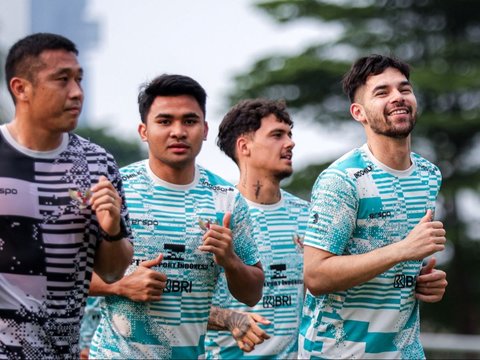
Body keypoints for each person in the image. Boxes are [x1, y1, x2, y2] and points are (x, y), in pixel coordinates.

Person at [87, 74, 264, 359]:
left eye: (190, 121)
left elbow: (252, 293)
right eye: (165, 121)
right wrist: (120, 285)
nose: (179, 132)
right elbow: (63, 276)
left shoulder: (226, 198)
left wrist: (230, 261)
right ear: (143, 131)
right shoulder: (117, 191)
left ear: (205, 129)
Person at [299, 54, 448, 359]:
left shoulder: (429, 175)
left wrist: (425, 282)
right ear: (359, 113)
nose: (398, 98)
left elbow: (404, 264)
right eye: (382, 92)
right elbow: (316, 276)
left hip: (404, 352)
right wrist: (403, 250)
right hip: (339, 353)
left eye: (404, 89)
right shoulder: (342, 179)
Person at [0, 33, 133, 359]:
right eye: (62, 80)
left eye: (79, 79)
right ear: (21, 88)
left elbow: (114, 272)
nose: (76, 92)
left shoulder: (98, 163)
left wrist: (112, 228)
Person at [204, 99, 309, 359]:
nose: (290, 143)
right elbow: (175, 302)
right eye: (277, 135)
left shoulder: (308, 215)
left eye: (289, 134)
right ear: (244, 146)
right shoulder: (214, 213)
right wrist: (227, 318)